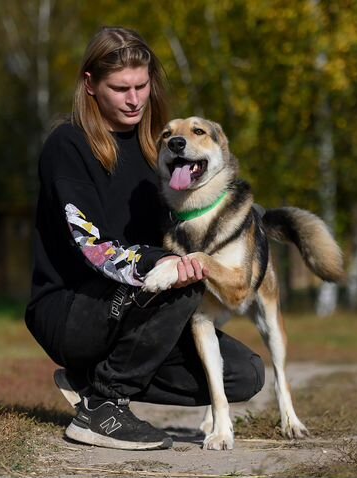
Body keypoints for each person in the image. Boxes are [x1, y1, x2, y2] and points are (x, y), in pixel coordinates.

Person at [25, 26, 265, 451]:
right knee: (181, 278)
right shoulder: (68, 145)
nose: (134, 98)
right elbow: (92, 247)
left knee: (244, 374)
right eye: (120, 88)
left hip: (139, 307)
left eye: (141, 85)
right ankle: (104, 405)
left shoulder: (160, 146)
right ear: (91, 85)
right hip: (71, 308)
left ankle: (89, 378)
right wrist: (165, 262)